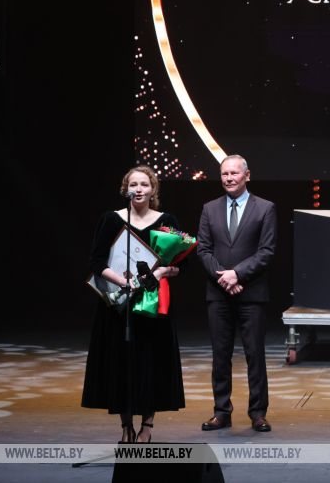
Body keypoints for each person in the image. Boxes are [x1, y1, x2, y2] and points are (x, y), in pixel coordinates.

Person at [82, 166, 186, 443]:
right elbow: (96, 261)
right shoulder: (111, 219)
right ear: (125, 189)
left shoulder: (167, 221)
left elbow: (182, 263)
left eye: (144, 184)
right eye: (133, 185)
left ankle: (147, 426)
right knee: (121, 363)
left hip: (152, 306)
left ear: (153, 190)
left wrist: (161, 272)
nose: (138, 189)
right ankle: (126, 426)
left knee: (152, 362)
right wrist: (122, 281)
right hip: (119, 307)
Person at [197, 154, 277, 433]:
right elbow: (203, 249)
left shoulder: (265, 208)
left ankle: (258, 413)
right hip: (218, 294)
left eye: (234, 173)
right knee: (220, 355)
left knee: (255, 354)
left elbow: (266, 251)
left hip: (251, 293)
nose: (229, 178)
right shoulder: (209, 208)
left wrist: (238, 274)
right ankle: (221, 412)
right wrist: (225, 277)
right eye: (224, 174)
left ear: (247, 175)